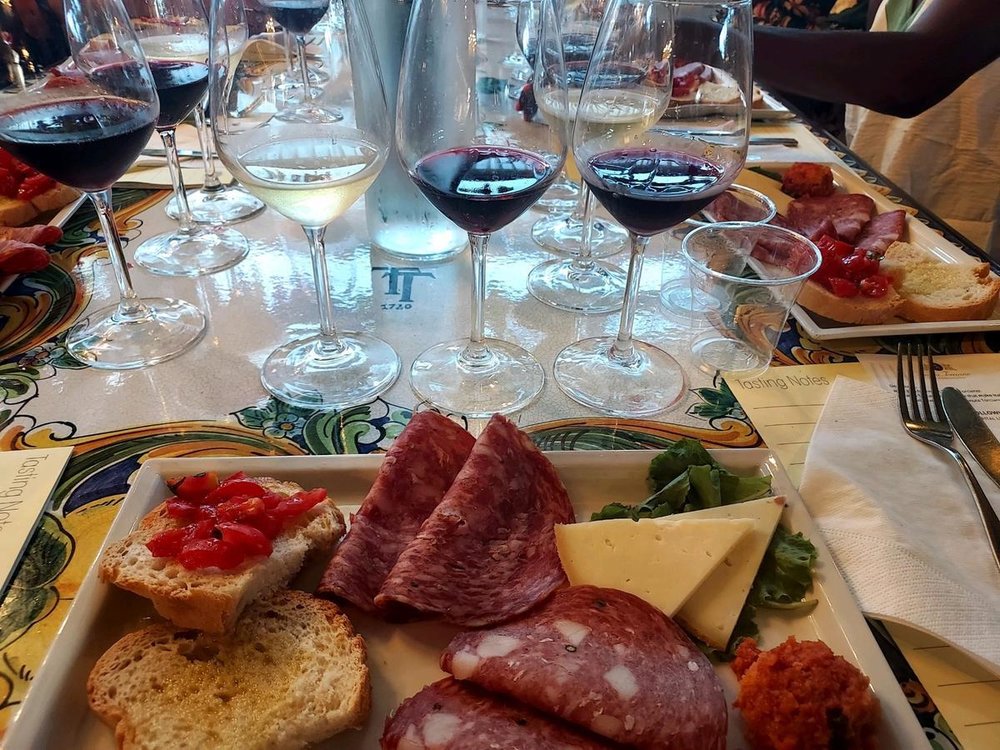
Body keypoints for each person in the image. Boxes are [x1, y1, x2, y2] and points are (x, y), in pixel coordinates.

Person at [753, 0, 1000, 257]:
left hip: (959, 223)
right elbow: (866, 65)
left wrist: (724, 37)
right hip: (874, 202)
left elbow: (905, 76)